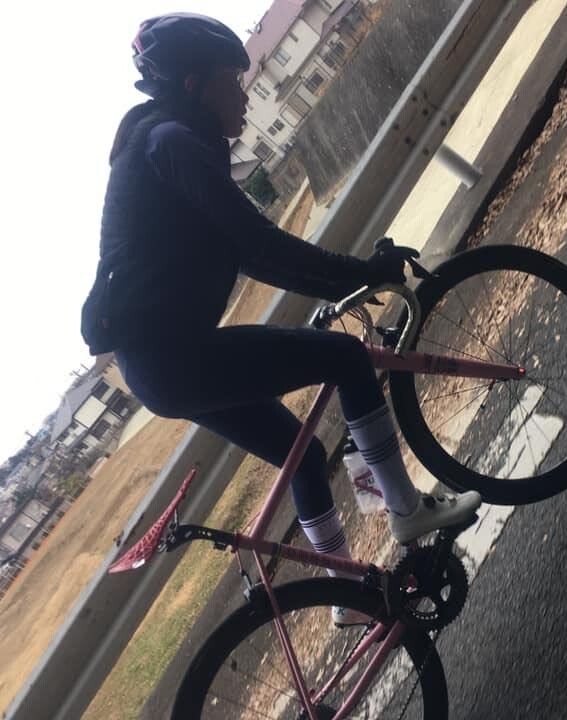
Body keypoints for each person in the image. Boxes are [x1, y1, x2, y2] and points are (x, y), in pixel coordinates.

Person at [80, 14, 481, 624]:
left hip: (159, 367)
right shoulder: (172, 145)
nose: (243, 94)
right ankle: (406, 510)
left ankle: (348, 597)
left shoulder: (162, 145)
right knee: (347, 358)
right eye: (232, 80)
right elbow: (262, 247)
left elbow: (245, 253)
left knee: (301, 452)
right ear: (194, 85)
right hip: (175, 358)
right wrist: (361, 274)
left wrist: (348, 277)